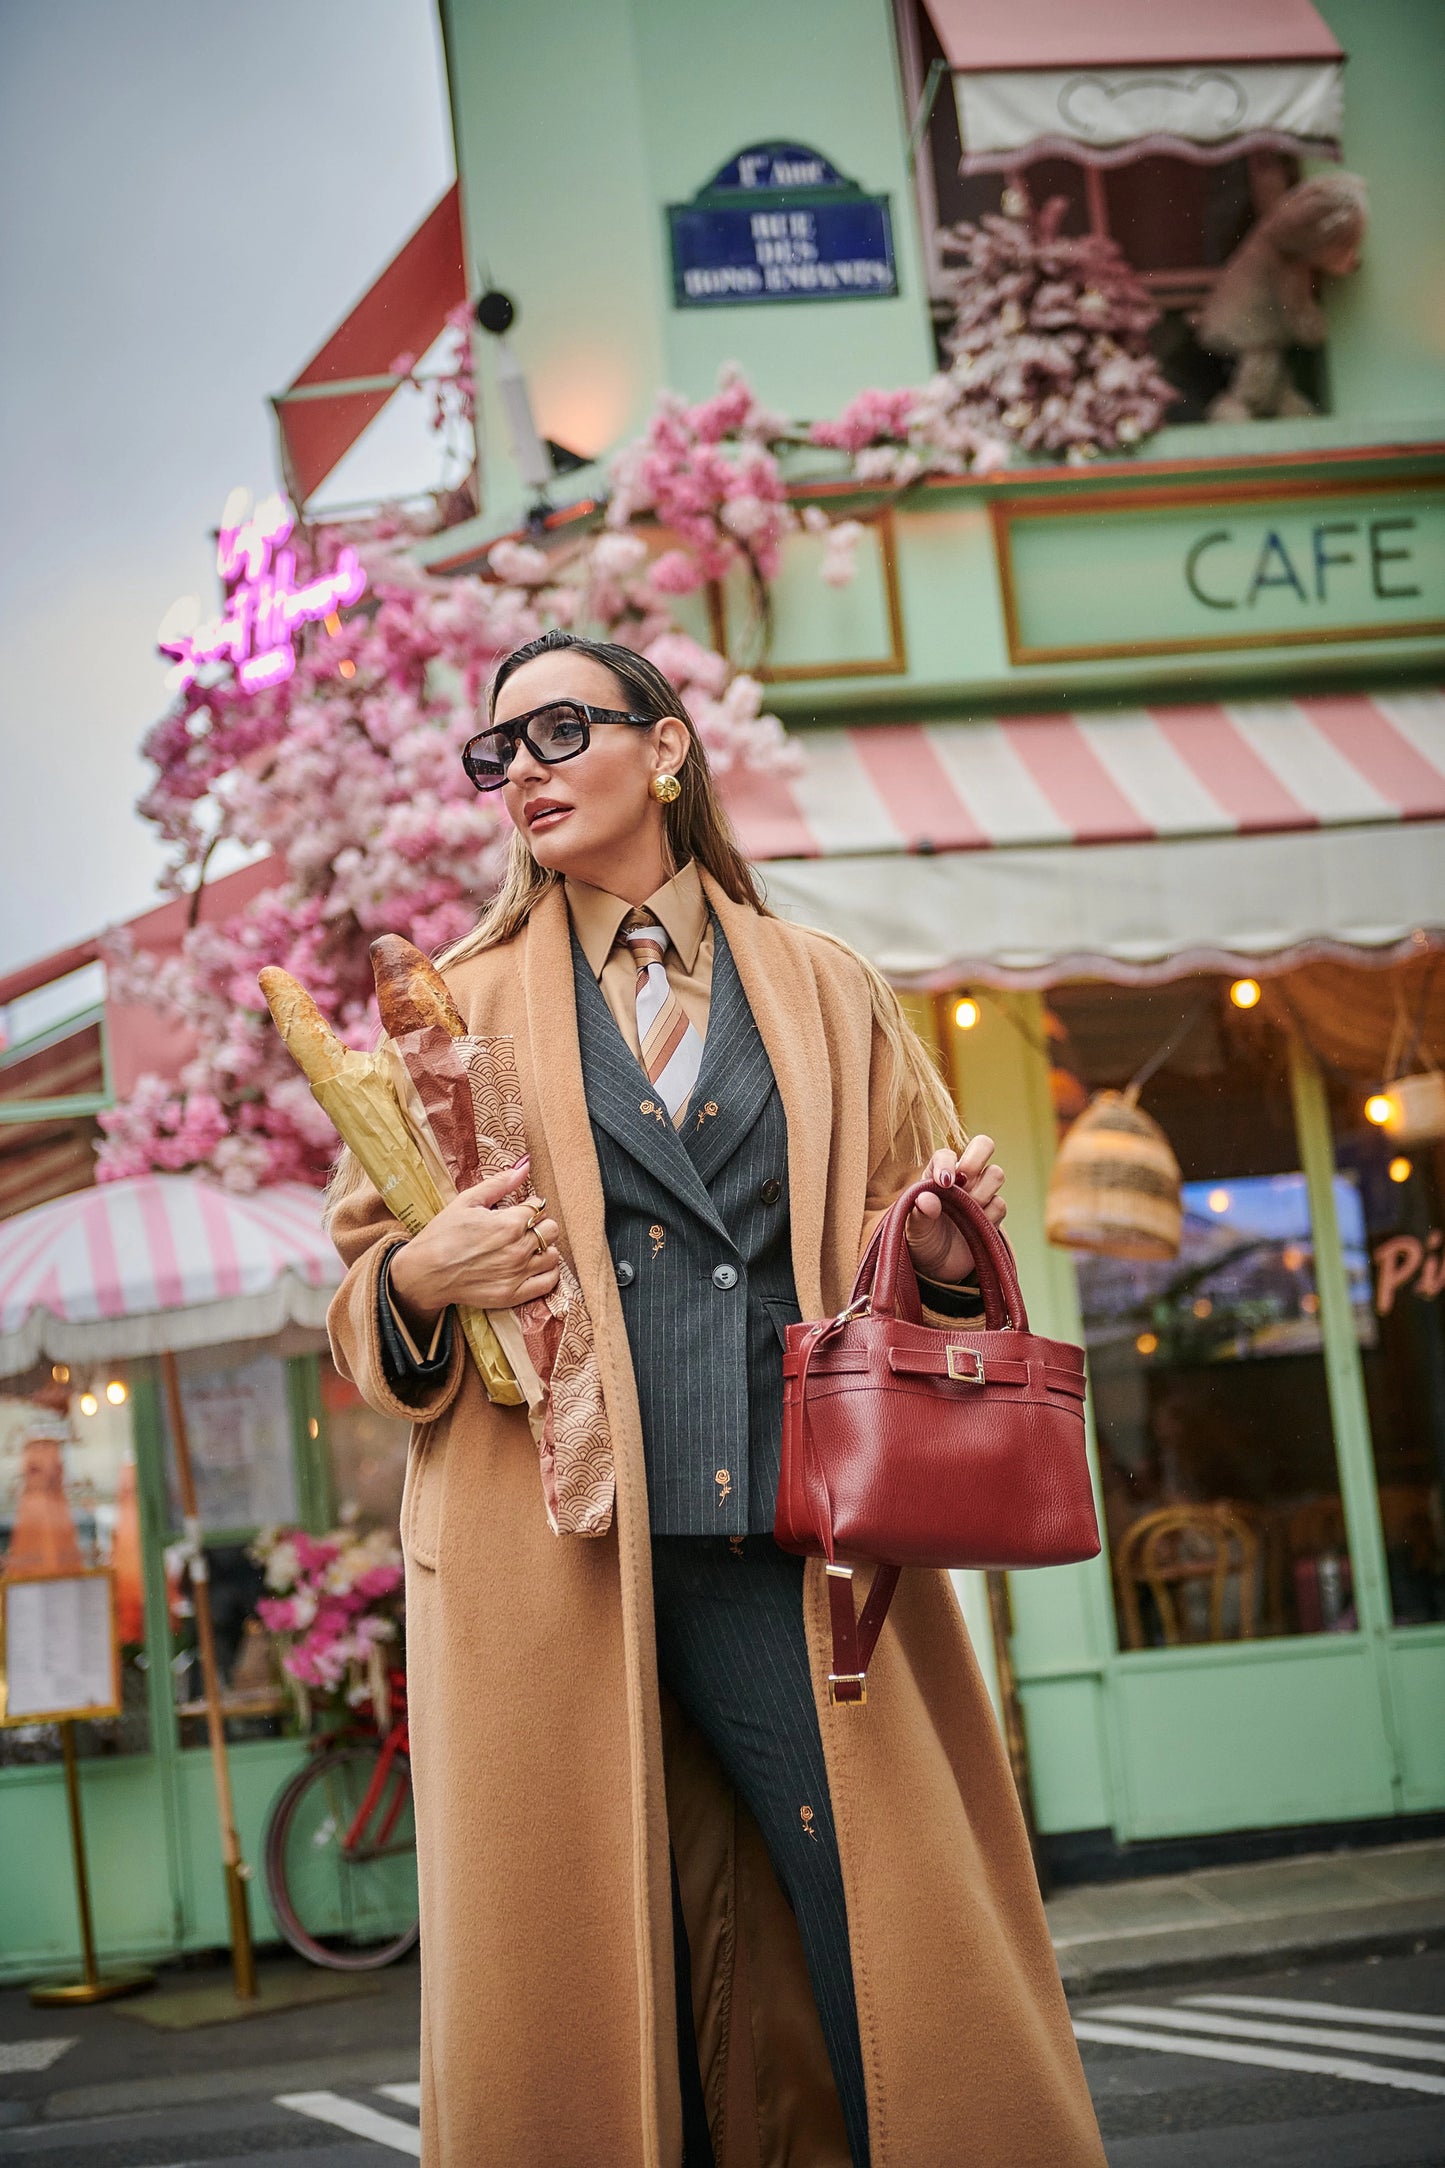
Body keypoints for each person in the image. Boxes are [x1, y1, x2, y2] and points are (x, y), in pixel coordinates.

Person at [326, 630, 1106, 2168]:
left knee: (871, 1952)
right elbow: (360, 1299)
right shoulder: (451, 1010)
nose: (522, 773)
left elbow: (913, 1238)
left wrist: (945, 1241)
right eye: (496, 754)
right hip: (554, 1565)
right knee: (608, 1989)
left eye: (557, 732)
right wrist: (423, 1275)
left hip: (803, 1542)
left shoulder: (822, 988)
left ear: (666, 750)